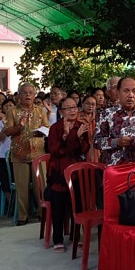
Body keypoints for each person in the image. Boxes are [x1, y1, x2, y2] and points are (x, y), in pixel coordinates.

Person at [1, 82, 50, 226]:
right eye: (24, 93)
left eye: (31, 93)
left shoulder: (40, 111)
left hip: (38, 153)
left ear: (35, 95)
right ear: (19, 95)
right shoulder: (12, 112)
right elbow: (7, 131)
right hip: (19, 153)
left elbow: (47, 127)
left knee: (41, 186)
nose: (28, 95)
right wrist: (19, 127)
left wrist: (42, 131)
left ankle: (43, 213)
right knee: (22, 188)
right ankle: (23, 216)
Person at [46, 97, 90, 252]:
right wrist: (71, 137)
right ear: (61, 111)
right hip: (59, 171)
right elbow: (56, 151)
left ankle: (74, 236)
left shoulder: (81, 126)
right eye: (68, 108)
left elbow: (84, 149)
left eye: (74, 107)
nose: (72, 110)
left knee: (76, 206)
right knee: (58, 207)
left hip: (76, 172)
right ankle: (57, 239)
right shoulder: (55, 128)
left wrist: (74, 137)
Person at [94, 76, 135, 165]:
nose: (131, 95)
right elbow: (96, 142)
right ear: (118, 93)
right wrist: (117, 142)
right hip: (114, 170)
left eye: (134, 91)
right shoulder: (106, 114)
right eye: (126, 91)